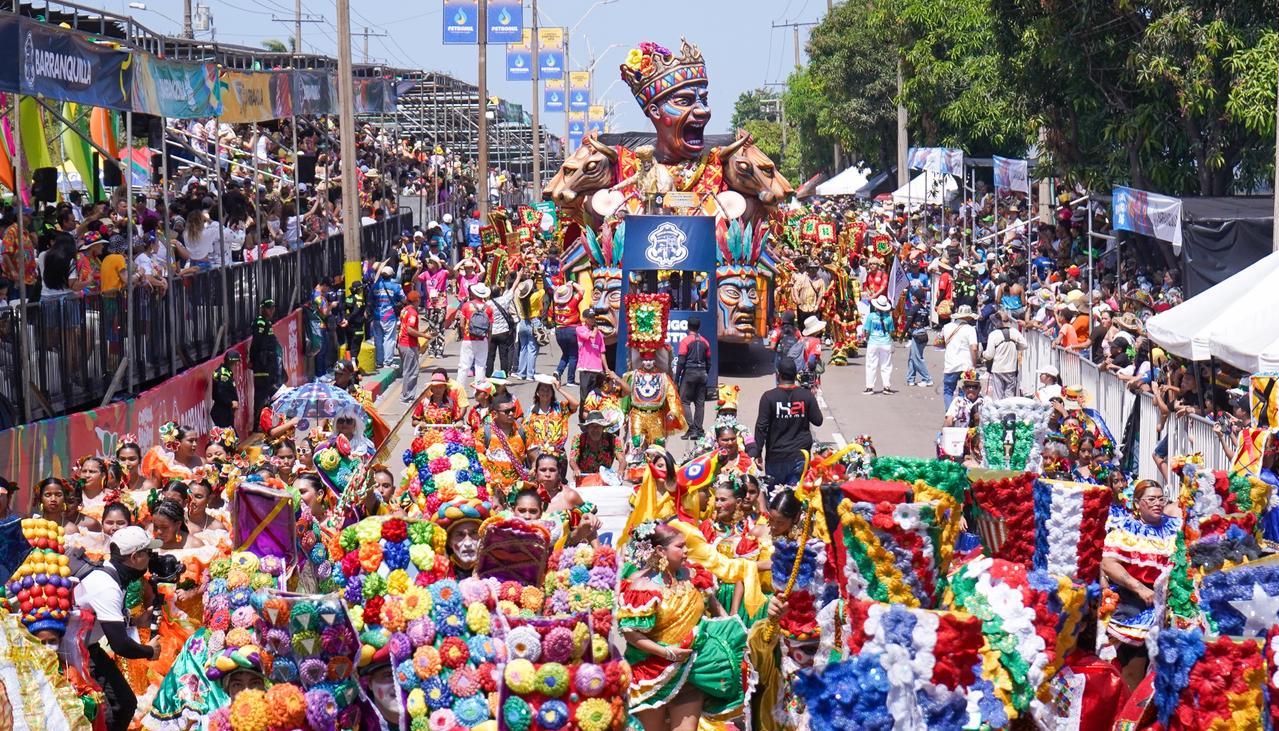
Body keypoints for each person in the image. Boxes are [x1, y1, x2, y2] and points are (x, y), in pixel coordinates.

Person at [619, 521, 747, 731]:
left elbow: (716, 608)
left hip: (690, 670)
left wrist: (730, 638)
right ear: (661, 550)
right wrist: (666, 652)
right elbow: (631, 634)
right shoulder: (642, 587)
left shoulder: (695, 575)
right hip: (651, 675)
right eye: (680, 546)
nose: (687, 551)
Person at [73, 526, 163, 731]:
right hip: (75, 654)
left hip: (90, 649)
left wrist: (136, 622)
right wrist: (149, 650)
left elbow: (102, 618)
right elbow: (120, 645)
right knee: (105, 710)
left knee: (124, 704)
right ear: (134, 557)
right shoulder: (106, 585)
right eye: (147, 553)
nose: (150, 559)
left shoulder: (112, 575)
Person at [1102, 479, 1181, 689]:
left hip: (1170, 608)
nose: (1157, 503)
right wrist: (1139, 588)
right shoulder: (1125, 531)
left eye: (1161, 499)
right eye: (1151, 499)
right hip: (1134, 607)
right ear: (1137, 503)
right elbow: (1109, 563)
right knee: (1133, 671)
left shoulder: (1175, 529)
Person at [754, 359, 823, 486]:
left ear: (778, 374)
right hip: (800, 456)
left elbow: (761, 427)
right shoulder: (806, 395)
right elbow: (818, 420)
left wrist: (757, 452)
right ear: (796, 374)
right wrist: (812, 399)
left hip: (776, 457)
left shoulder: (768, 397)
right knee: (795, 498)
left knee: (775, 498)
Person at [676, 316, 712, 440]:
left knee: (684, 402)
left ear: (688, 327)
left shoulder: (685, 341)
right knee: (699, 403)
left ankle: (691, 429)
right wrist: (705, 373)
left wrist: (677, 379)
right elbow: (709, 362)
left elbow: (681, 361)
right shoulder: (705, 342)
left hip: (689, 373)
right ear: (698, 327)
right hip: (702, 374)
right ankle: (699, 429)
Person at [941, 304, 979, 410]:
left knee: (948, 391)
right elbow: (974, 348)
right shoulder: (970, 329)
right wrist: (974, 364)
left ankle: (950, 414)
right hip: (966, 366)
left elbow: (940, 342)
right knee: (965, 392)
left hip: (950, 364)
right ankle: (963, 414)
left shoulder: (947, 327)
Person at [250, 299, 282, 421]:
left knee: (271, 390)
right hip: (262, 363)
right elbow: (256, 343)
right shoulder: (260, 323)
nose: (272, 310)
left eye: (273, 308)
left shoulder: (268, 323)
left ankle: (269, 420)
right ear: (262, 308)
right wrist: (253, 360)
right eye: (269, 308)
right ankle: (258, 423)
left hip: (270, 363)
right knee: (261, 393)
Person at [983, 310, 1027, 400]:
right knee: (1009, 396)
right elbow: (1024, 345)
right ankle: (1008, 413)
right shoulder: (1014, 332)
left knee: (997, 396)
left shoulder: (993, 335)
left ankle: (999, 413)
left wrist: (983, 354)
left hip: (997, 369)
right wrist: (1015, 347)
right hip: (1011, 369)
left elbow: (989, 355)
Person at [456, 283, 493, 381]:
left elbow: (462, 325)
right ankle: (479, 391)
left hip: (468, 339)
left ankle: (461, 392)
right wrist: (488, 342)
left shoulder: (466, 306)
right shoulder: (488, 308)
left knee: (464, 366)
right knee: (480, 366)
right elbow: (490, 329)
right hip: (482, 339)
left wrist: (465, 334)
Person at [369, 265, 404, 367]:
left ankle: (379, 362)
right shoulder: (396, 287)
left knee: (378, 339)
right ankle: (388, 361)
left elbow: (370, 301)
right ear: (391, 276)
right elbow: (404, 299)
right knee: (389, 339)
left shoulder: (375, 286)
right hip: (390, 317)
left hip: (377, 316)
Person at [551, 281, 584, 385]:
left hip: (559, 331)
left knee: (566, 354)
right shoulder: (572, 302)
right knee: (573, 355)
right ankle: (570, 380)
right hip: (571, 330)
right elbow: (582, 290)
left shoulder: (556, 304)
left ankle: (558, 371)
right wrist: (573, 283)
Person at [397, 290, 426, 403]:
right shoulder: (413, 313)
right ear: (416, 300)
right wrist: (425, 336)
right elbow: (410, 329)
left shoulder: (405, 310)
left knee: (408, 370)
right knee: (411, 371)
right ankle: (407, 396)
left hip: (403, 343)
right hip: (408, 344)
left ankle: (406, 394)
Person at [863, 295, 895, 394]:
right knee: (886, 365)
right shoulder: (889, 318)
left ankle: (869, 387)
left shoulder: (871, 316)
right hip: (885, 343)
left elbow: (866, 330)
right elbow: (891, 332)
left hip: (873, 342)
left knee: (871, 365)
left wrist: (867, 338)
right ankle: (886, 387)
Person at [904, 287, 934, 387]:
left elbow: (908, 323)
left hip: (916, 334)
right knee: (912, 357)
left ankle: (927, 378)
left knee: (917, 358)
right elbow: (925, 322)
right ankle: (910, 379)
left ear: (915, 297)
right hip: (923, 333)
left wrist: (903, 335)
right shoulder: (925, 309)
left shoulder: (914, 308)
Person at [576, 309, 608, 398]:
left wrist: (606, 368)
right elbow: (592, 335)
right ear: (585, 319)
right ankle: (582, 412)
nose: (593, 319)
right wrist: (596, 328)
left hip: (597, 369)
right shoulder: (580, 329)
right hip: (585, 368)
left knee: (595, 397)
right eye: (590, 317)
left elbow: (602, 353)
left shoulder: (600, 335)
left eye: (594, 317)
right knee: (584, 397)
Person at [209, 351, 240, 429]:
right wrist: (230, 402)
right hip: (222, 412)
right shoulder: (223, 373)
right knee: (228, 438)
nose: (236, 364)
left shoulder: (227, 371)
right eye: (236, 362)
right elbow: (221, 392)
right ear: (232, 361)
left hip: (226, 411)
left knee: (232, 436)